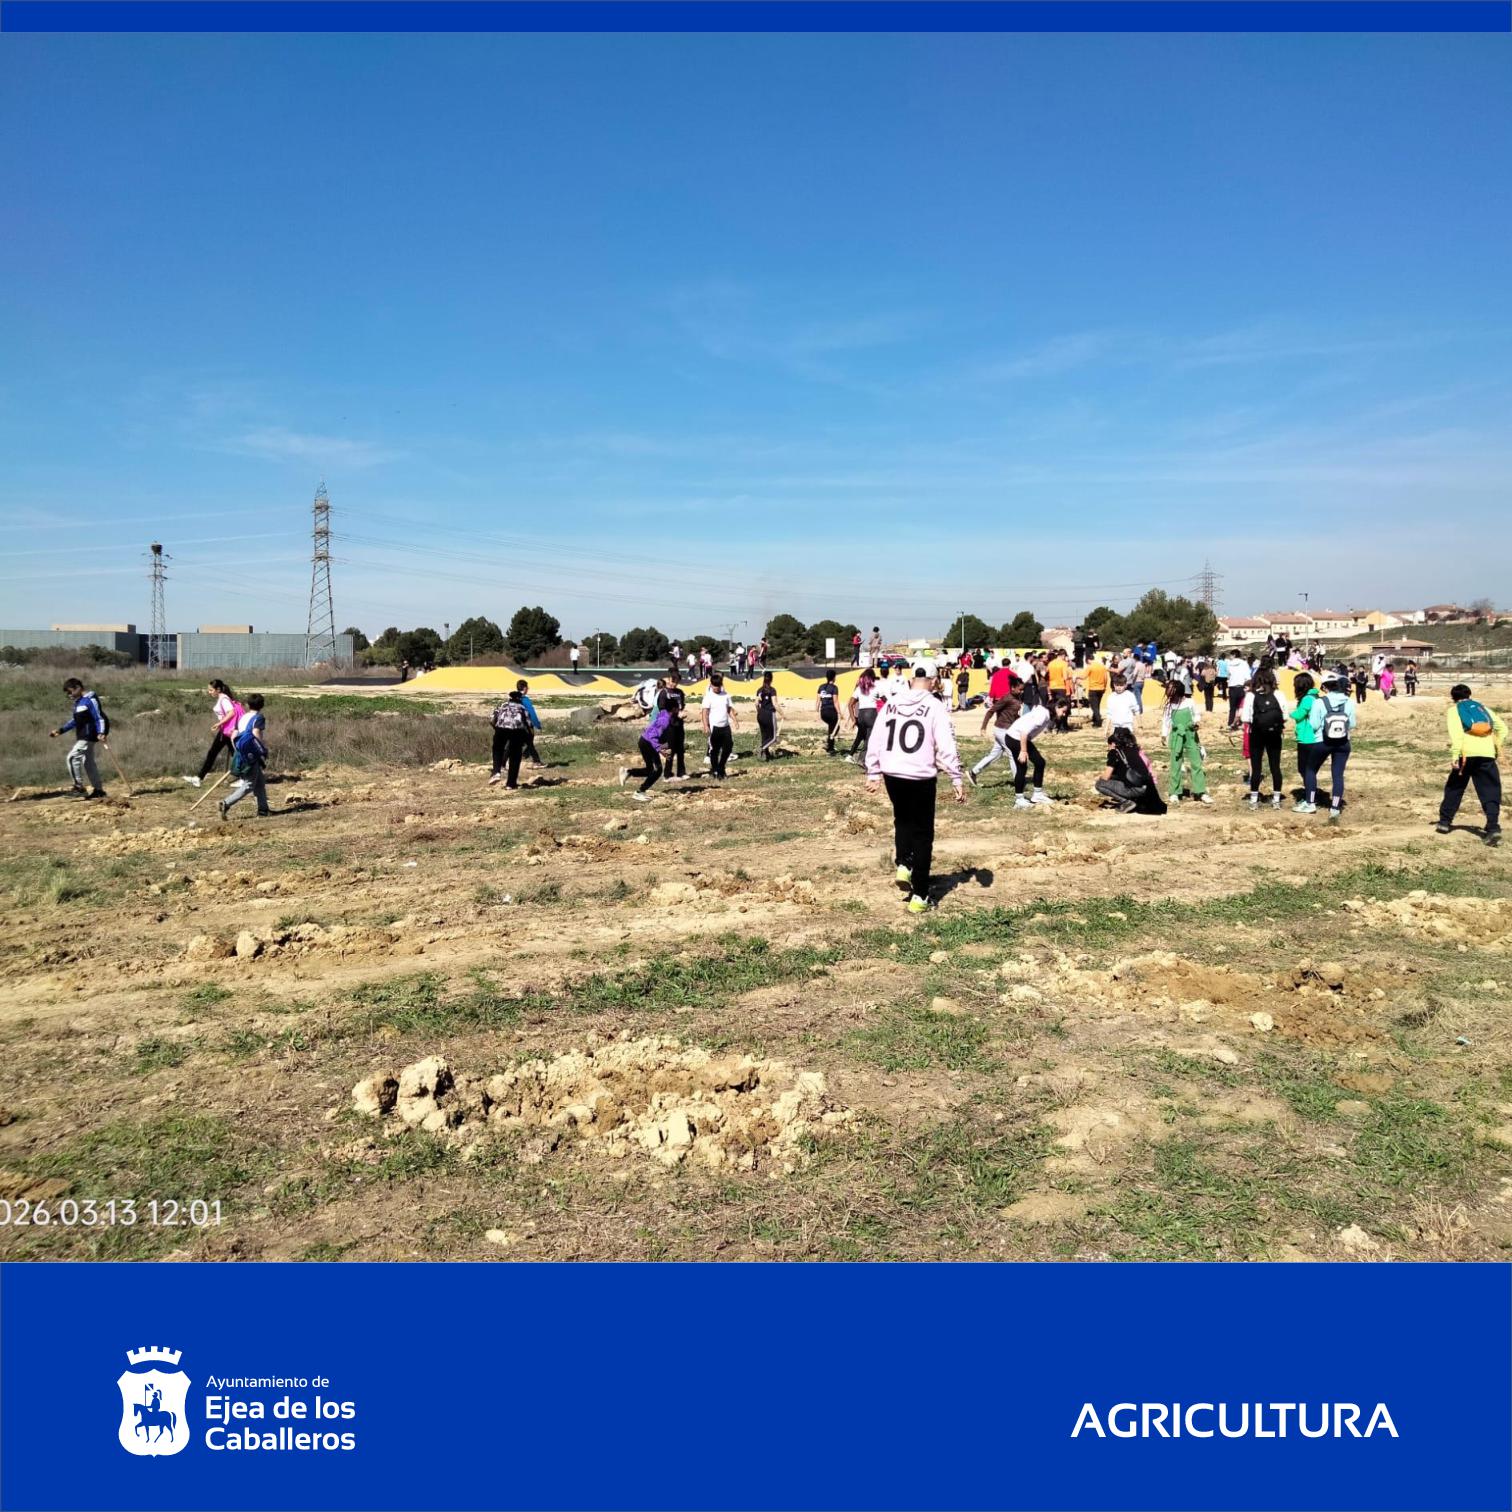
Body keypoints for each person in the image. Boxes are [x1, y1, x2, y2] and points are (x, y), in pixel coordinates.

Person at [864, 658, 965, 913]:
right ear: (933, 682)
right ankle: (920, 895)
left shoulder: (892, 702)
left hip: (893, 774)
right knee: (923, 834)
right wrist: (955, 775)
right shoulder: (935, 706)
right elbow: (946, 744)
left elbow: (876, 736)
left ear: (911, 680)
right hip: (920, 775)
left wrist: (873, 771)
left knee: (902, 819)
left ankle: (903, 863)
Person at [1437, 684, 1505, 846]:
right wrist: (1495, 747)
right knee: (1490, 790)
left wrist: (1455, 755)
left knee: (1455, 786)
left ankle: (1445, 822)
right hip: (1487, 754)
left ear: (1453, 698)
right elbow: (1502, 729)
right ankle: (1493, 827)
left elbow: (1457, 735)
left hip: (1466, 756)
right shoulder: (1483, 709)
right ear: (1470, 695)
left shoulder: (1454, 710)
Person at [49, 678, 109, 798]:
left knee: (72, 758)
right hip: (83, 735)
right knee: (88, 763)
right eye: (67, 693)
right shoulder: (79, 702)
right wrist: (60, 730)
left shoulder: (89, 700)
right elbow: (75, 721)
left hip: (89, 735)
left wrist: (102, 732)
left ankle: (79, 787)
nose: (69, 694)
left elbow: (99, 717)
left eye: (70, 691)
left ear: (78, 687)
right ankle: (98, 791)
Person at [1311, 671, 1357, 824]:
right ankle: (1335, 807)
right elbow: (1352, 724)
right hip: (1343, 742)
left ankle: (1310, 801)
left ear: (1324, 687)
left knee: (1310, 769)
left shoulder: (1319, 702)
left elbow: (1314, 724)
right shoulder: (1348, 702)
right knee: (1338, 775)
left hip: (1323, 741)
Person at [182, 679, 243, 788]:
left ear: (218, 689)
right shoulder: (223, 698)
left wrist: (219, 723)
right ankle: (199, 778)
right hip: (227, 731)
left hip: (227, 731)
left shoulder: (224, 699)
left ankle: (199, 778)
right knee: (234, 753)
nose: (209, 692)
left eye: (211, 690)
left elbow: (231, 713)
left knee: (215, 753)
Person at [1242, 667, 1288, 809]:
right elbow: (1285, 716)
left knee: (1256, 768)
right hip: (1274, 734)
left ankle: (1254, 800)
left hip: (1256, 734)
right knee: (1275, 767)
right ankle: (1276, 799)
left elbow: (1245, 718)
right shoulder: (1279, 694)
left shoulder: (1251, 696)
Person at [1094, 727, 1166, 815]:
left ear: (1113, 744)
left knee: (1099, 784)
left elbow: (1106, 777)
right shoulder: (1136, 750)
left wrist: (1099, 777)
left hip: (1135, 789)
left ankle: (1126, 802)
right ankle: (1138, 801)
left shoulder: (1115, 753)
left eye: (1108, 746)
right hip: (1147, 788)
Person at [220, 694, 270, 819]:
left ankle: (263, 810)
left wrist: (238, 750)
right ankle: (226, 803)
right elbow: (256, 733)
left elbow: (233, 735)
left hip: (241, 752)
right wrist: (261, 750)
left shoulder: (242, 717)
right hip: (252, 754)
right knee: (249, 784)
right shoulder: (258, 717)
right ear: (262, 705)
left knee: (259, 783)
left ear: (248, 705)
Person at [1161, 678, 1211, 804]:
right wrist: (1164, 735)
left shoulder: (1189, 702)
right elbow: (1166, 721)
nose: (1169, 693)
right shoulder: (1169, 705)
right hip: (1176, 736)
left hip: (1190, 734)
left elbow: (1197, 715)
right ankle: (1174, 792)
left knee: (1196, 763)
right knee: (1175, 764)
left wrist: (1196, 723)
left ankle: (1200, 792)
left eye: (1172, 690)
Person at [966, 675, 1022, 787]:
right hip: (1002, 729)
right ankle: (1018, 782)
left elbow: (1013, 714)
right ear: (1013, 688)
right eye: (1020, 689)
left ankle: (973, 772)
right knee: (1012, 753)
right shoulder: (1006, 698)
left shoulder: (1016, 698)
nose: (1022, 691)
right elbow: (990, 711)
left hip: (1007, 729)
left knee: (995, 754)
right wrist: (983, 727)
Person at [619, 697, 670, 802]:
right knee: (657, 770)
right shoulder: (665, 719)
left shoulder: (666, 716)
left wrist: (664, 747)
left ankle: (628, 772)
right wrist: (660, 749)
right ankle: (639, 792)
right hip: (647, 743)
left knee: (650, 770)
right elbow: (652, 736)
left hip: (646, 741)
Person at [1007, 696, 1053, 810]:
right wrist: (1023, 751)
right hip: (1016, 738)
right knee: (1022, 767)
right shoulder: (1043, 715)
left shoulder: (1044, 712)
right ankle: (1019, 800)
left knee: (1039, 762)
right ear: (1057, 707)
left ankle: (1037, 795)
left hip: (1015, 737)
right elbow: (1024, 731)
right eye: (1063, 711)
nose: (1064, 714)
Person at [1289, 671, 1322, 814]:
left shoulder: (1307, 699)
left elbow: (1299, 714)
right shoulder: (1315, 696)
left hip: (1307, 738)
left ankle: (1310, 800)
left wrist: (1287, 713)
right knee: (1309, 770)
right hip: (1313, 738)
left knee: (1306, 770)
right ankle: (1311, 796)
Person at [489, 689, 531, 789]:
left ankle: (496, 772)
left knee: (497, 749)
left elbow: (491, 719)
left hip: (501, 729)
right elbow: (528, 724)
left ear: (510, 698)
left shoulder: (503, 705)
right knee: (515, 757)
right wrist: (528, 738)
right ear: (520, 699)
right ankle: (511, 784)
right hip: (517, 731)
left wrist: (497, 729)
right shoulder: (523, 708)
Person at [701, 671, 737, 779]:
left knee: (728, 747)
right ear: (711, 685)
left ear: (721, 685)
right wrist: (705, 725)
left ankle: (721, 766)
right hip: (714, 727)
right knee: (714, 750)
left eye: (718, 685)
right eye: (714, 685)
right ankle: (716, 770)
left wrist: (735, 720)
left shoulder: (726, 695)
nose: (716, 688)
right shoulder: (708, 697)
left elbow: (729, 709)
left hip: (725, 726)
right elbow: (705, 712)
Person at [845, 668, 881, 763]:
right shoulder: (876, 687)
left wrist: (853, 719)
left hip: (861, 715)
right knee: (869, 738)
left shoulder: (859, 688)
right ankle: (863, 759)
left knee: (863, 736)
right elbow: (886, 700)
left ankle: (861, 757)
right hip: (871, 713)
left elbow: (850, 704)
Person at [658, 673, 688, 780]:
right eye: (672, 681)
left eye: (676, 682)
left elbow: (682, 705)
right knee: (671, 749)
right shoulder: (664, 693)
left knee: (680, 749)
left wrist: (681, 713)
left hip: (679, 724)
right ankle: (667, 773)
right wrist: (674, 713)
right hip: (669, 724)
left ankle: (681, 772)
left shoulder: (680, 692)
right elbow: (662, 708)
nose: (673, 684)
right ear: (668, 680)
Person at [516, 680, 544, 766]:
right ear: (524, 688)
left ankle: (524, 756)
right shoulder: (525, 699)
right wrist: (537, 725)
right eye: (527, 687)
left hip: (514, 725)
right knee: (530, 742)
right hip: (526, 725)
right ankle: (536, 761)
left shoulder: (513, 698)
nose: (528, 689)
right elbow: (531, 713)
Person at [754, 670, 780, 759]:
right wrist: (782, 714)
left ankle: (766, 754)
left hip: (760, 714)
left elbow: (756, 703)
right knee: (773, 737)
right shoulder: (772, 690)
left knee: (764, 735)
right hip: (769, 714)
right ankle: (762, 748)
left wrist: (759, 712)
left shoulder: (759, 690)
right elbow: (775, 704)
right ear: (771, 679)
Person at [816, 670, 841, 755]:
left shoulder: (821, 687)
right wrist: (839, 712)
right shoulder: (834, 688)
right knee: (835, 728)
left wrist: (816, 710)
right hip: (831, 711)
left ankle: (829, 743)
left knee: (831, 727)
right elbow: (836, 702)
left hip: (823, 712)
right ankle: (830, 747)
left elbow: (818, 700)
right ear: (834, 677)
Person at [1083, 655, 1109, 728]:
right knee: (1097, 705)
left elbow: (1084, 676)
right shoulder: (1102, 666)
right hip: (1101, 688)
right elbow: (1106, 678)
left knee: (1094, 706)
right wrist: (1105, 687)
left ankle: (1098, 721)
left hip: (1093, 689)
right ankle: (1095, 719)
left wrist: (1076, 677)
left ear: (1088, 660)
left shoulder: (1090, 667)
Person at [1226, 652, 1251, 728]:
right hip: (1241, 687)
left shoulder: (1229, 664)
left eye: (1231, 655)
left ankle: (1230, 722)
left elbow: (1228, 675)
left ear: (1234, 655)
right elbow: (1248, 676)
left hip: (1232, 687)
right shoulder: (1244, 663)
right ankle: (1239, 722)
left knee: (1232, 707)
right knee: (1241, 706)